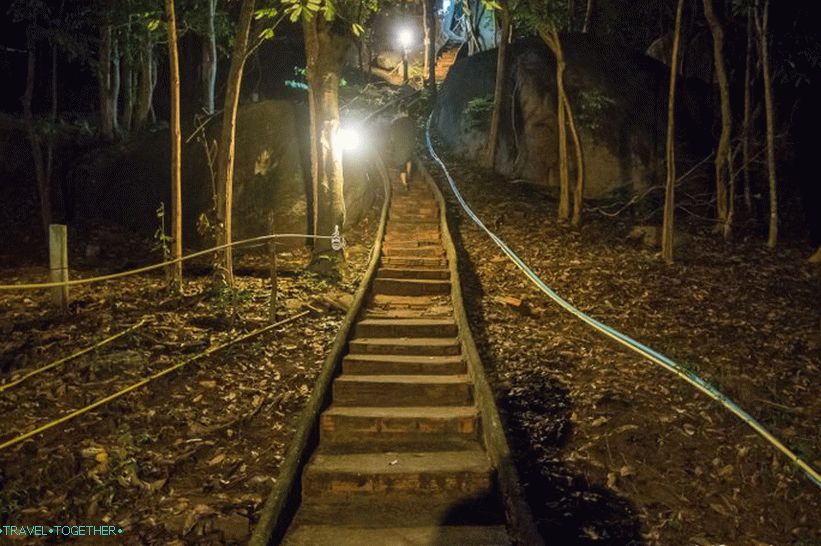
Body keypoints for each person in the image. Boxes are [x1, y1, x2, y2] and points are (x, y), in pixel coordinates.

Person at [390, 101, 415, 189]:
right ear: (407, 111)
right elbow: (415, 133)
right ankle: (409, 173)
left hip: (399, 146)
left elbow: (392, 137)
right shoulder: (412, 122)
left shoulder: (395, 123)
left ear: (399, 112)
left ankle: (404, 183)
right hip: (409, 144)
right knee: (408, 159)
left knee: (401, 165)